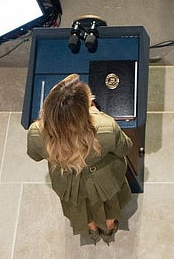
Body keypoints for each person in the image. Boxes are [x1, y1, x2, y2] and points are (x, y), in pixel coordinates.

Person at [27, 73, 133, 240]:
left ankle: (91, 229)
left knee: (79, 206)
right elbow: (125, 148)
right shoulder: (105, 127)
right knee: (109, 203)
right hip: (103, 179)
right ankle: (108, 228)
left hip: (68, 183)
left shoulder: (36, 132)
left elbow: (34, 156)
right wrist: (96, 113)